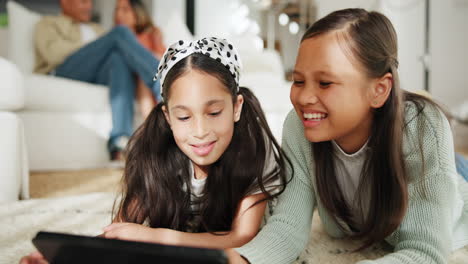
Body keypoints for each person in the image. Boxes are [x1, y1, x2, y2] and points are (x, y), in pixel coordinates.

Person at [226, 8, 468, 264]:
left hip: (455, 182)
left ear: (379, 90)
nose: (304, 98)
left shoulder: (422, 129)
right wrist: (243, 260)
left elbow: (426, 252)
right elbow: (287, 227)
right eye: (297, 81)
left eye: (325, 83)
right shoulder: (298, 127)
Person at [19, 37, 290, 264]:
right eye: (184, 117)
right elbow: (122, 232)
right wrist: (62, 257)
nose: (199, 130)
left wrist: (159, 236)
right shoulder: (154, 151)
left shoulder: (253, 147)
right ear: (168, 117)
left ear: (237, 107)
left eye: (214, 112)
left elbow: (242, 237)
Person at [34, 0, 161, 160]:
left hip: (96, 73)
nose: (89, 6)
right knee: (119, 33)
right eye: (83, 2)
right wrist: (95, 47)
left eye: (90, 2)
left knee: (118, 59)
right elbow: (53, 54)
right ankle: (162, 79)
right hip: (66, 70)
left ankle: (120, 141)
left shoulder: (97, 29)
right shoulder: (48, 23)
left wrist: (102, 47)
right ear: (65, 2)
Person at [114, 0, 166, 118]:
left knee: (144, 79)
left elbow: (162, 57)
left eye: (125, 10)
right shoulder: (116, 40)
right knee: (144, 77)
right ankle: (151, 123)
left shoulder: (151, 34)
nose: (118, 15)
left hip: (146, 78)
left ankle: (150, 124)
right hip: (131, 77)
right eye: (116, 10)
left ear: (137, 14)